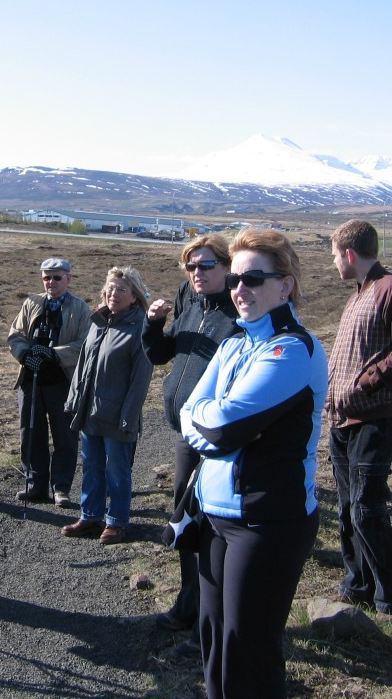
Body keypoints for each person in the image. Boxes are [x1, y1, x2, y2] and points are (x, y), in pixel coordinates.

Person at [180, 229, 327, 699]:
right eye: (236, 279)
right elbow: (191, 412)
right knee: (214, 643)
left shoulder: (292, 349)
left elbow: (219, 428)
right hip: (215, 516)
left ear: (285, 286)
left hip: (267, 522)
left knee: (249, 654)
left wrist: (210, 419)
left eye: (254, 279)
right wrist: (211, 419)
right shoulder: (234, 344)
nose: (239, 289)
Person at [326, 219, 392, 618]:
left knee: (367, 509)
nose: (334, 263)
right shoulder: (357, 295)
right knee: (349, 507)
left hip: (374, 420)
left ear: (349, 254)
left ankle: (391, 600)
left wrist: (365, 384)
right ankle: (358, 585)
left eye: (335, 255)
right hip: (342, 421)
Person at [142, 234, 238, 650]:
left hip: (218, 436)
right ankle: (189, 604)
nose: (196, 273)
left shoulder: (239, 310)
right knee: (185, 518)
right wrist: (152, 324)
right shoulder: (189, 298)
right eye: (191, 266)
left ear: (227, 267)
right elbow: (162, 355)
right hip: (185, 432)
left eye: (205, 265)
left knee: (209, 523)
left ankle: (209, 615)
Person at [62, 267, 153, 545]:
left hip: (118, 415)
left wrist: (129, 416)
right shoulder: (99, 321)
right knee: (91, 465)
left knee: (117, 469)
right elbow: (83, 364)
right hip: (90, 411)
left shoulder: (140, 328)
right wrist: (74, 400)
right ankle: (90, 516)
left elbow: (140, 380)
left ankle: (116, 522)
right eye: (111, 288)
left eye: (121, 290)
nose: (114, 294)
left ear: (135, 297)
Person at [7, 258, 91, 507]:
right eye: (46, 277)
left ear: (68, 278)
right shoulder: (31, 303)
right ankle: (35, 484)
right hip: (31, 380)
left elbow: (85, 345)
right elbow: (16, 334)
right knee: (30, 433)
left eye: (56, 277)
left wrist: (55, 354)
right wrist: (24, 354)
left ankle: (61, 488)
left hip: (62, 382)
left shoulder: (80, 308)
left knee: (65, 436)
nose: (51, 282)